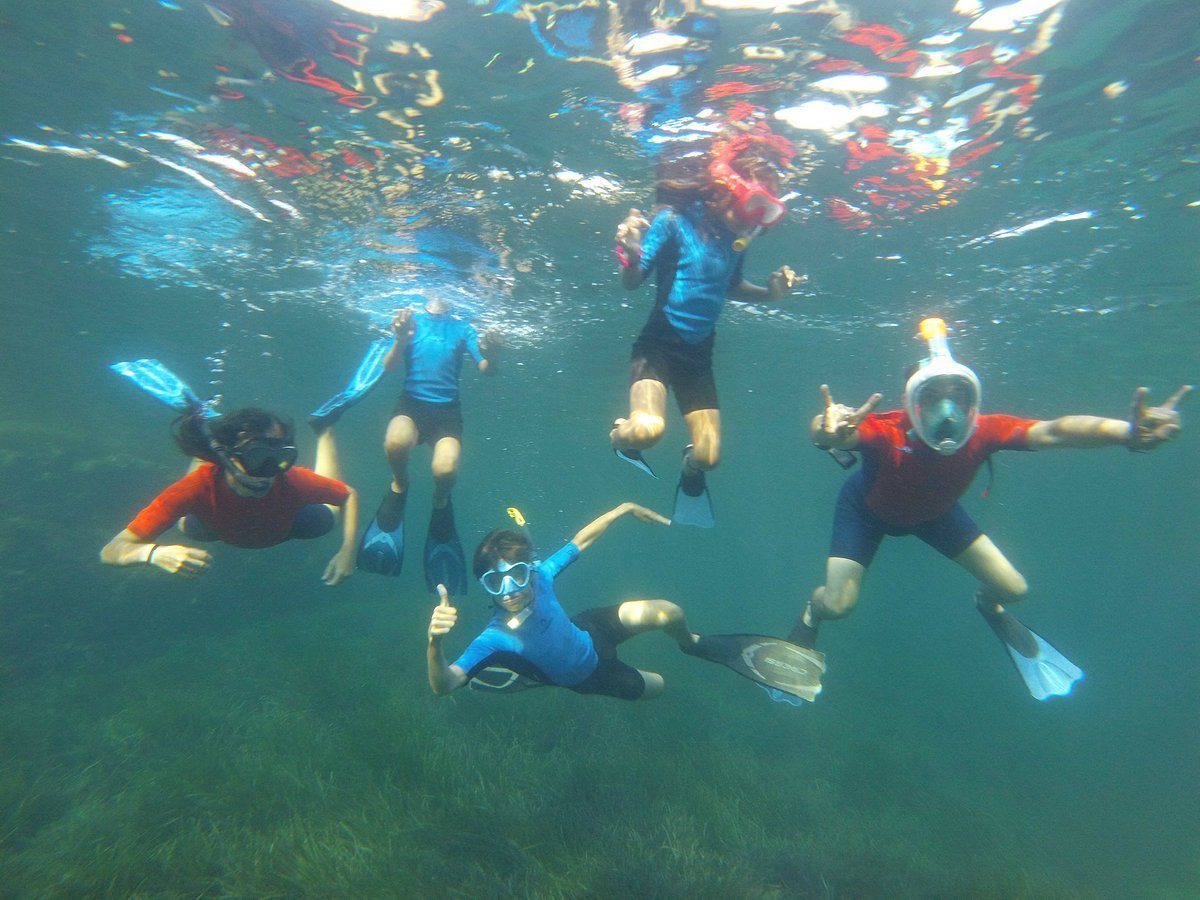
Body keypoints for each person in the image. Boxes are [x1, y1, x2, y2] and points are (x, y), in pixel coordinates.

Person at [789, 317, 1190, 699]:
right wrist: (825, 428)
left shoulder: (987, 430)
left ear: (972, 401)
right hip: (866, 510)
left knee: (1014, 588)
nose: (945, 413)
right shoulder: (884, 428)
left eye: (958, 397)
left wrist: (1127, 433)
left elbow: (1056, 430)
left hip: (935, 514)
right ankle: (813, 610)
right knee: (838, 606)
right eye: (929, 398)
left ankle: (987, 604)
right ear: (910, 402)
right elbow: (830, 433)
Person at [609, 126, 803, 527]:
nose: (754, 225)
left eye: (765, 215)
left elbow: (729, 286)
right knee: (647, 431)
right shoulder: (674, 221)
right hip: (657, 349)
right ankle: (619, 439)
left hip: (699, 356)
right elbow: (632, 282)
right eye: (753, 208)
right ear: (726, 189)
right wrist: (629, 255)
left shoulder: (736, 242)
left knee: (709, 457)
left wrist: (771, 294)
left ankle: (688, 469)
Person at [426, 502, 702, 700]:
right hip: (589, 677)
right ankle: (533, 679)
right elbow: (444, 684)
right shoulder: (493, 639)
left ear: (528, 571)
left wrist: (623, 509)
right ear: (486, 586)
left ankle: (691, 643)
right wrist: (435, 643)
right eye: (495, 582)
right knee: (659, 686)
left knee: (670, 612)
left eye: (517, 575)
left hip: (591, 629)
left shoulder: (541, 575)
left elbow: (580, 541)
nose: (508, 591)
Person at [101, 406, 359, 584]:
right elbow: (111, 550)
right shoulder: (195, 488)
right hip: (216, 525)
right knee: (187, 526)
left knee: (330, 516)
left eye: (281, 458)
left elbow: (348, 495)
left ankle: (324, 428)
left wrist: (348, 550)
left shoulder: (291, 481)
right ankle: (203, 429)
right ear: (229, 458)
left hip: (289, 524)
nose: (269, 472)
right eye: (257, 457)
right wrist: (153, 554)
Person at [348, 297, 502, 592]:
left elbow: (487, 369)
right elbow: (390, 366)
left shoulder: (463, 327)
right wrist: (401, 339)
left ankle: (440, 500)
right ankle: (400, 484)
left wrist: (493, 355)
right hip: (411, 405)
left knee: (445, 470)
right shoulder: (411, 319)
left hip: (447, 413)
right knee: (395, 442)